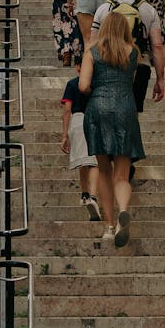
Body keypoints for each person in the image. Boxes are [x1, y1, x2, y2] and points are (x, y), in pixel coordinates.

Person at [79, 11, 145, 248]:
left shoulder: (92, 52)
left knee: (104, 172)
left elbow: (83, 85)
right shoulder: (133, 52)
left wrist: (95, 90)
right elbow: (132, 79)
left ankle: (108, 226)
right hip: (125, 109)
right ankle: (123, 211)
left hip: (99, 109)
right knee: (122, 174)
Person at [91, 0, 164, 113]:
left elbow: (93, 44)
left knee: (109, 111)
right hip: (139, 66)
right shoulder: (149, 10)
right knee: (133, 113)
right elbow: (157, 45)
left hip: (108, 66)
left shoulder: (103, 9)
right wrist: (160, 79)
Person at [60, 63, 101, 220]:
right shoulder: (97, 83)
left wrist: (64, 135)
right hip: (95, 119)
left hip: (77, 121)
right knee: (95, 161)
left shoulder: (72, 84)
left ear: (77, 67)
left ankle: (84, 194)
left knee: (83, 160)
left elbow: (66, 110)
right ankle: (93, 197)